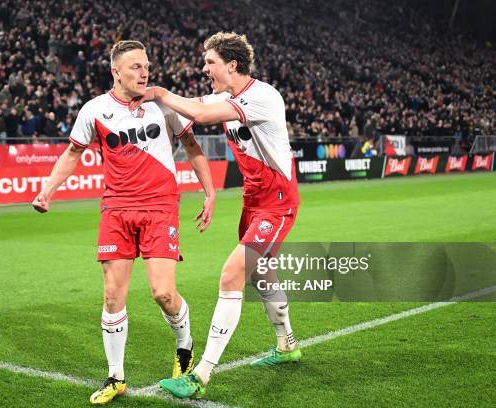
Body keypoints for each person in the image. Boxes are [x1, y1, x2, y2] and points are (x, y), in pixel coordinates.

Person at [31, 40, 216, 405]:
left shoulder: (164, 105)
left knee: (163, 293)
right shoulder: (95, 110)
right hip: (116, 208)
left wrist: (209, 192)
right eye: (135, 67)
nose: (144, 72)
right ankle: (115, 376)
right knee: (113, 295)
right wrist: (47, 191)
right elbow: (72, 154)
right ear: (116, 72)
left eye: (146, 65)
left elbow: (192, 147)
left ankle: (184, 346)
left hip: (160, 206)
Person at [131, 32, 302, 399]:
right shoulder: (226, 95)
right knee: (262, 274)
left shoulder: (263, 96)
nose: (204, 68)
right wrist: (135, 98)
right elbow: (192, 105)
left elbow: (204, 114)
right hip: (253, 201)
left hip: (277, 201)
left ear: (232, 65)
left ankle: (201, 375)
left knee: (231, 273)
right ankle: (287, 344)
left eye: (210, 62)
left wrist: (160, 92)